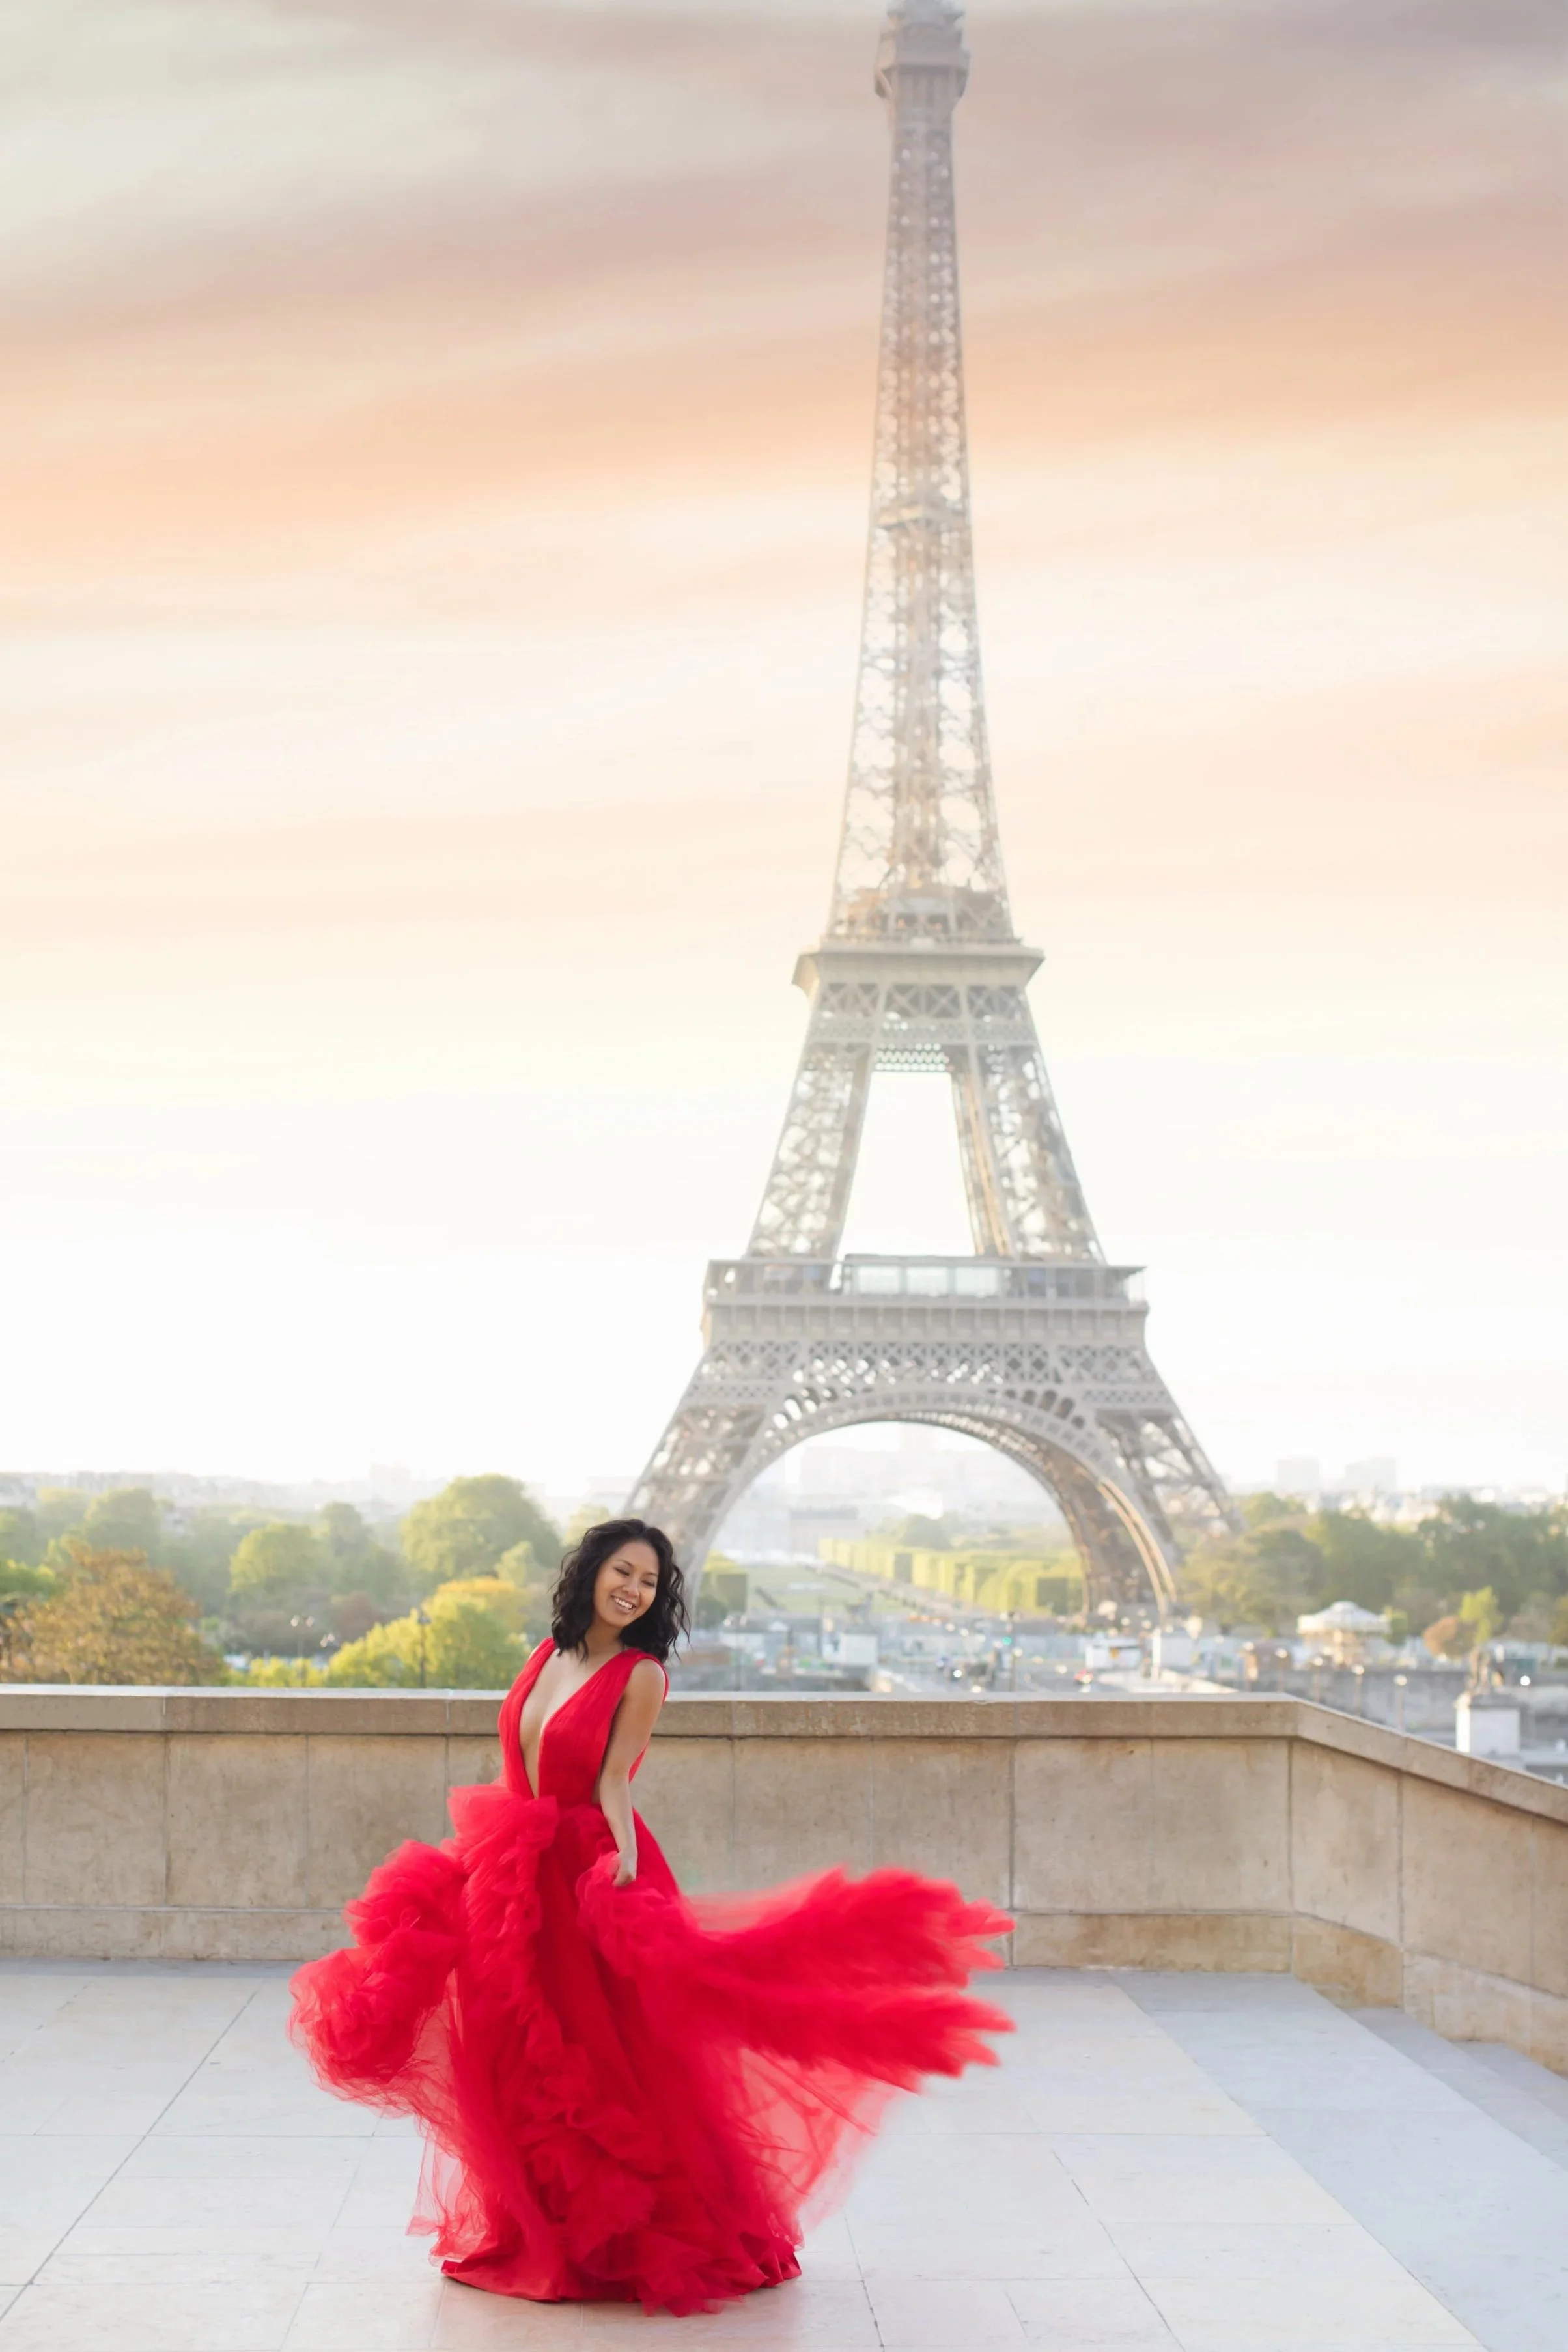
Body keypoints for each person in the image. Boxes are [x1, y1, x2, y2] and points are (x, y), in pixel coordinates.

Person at [289, 1518, 1011, 2316]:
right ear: (591, 1570)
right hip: (509, 1865)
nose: (634, 1590)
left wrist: (622, 1862)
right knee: (510, 2052)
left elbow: (615, 1783)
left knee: (601, 2053)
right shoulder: (547, 1653)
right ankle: (541, 2227)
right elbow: (515, 1761)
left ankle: (629, 2235)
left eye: (650, 1582)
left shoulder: (641, 1675)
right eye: (623, 1572)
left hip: (585, 1869)